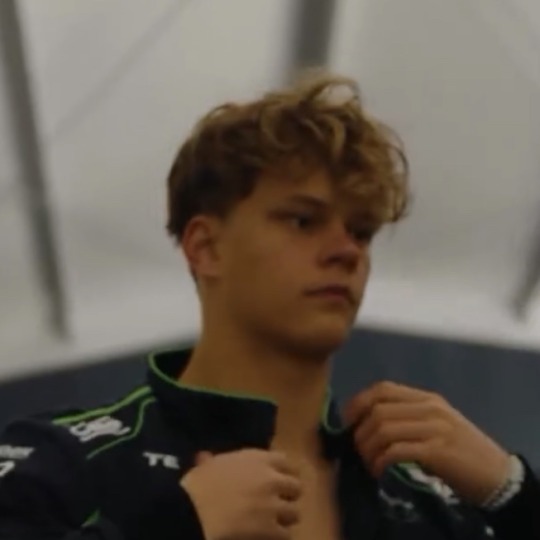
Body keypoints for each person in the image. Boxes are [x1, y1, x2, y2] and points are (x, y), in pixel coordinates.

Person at [0, 70, 538, 540]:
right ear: (206, 247)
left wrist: (514, 494)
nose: (347, 251)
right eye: (303, 220)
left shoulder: (426, 502)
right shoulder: (62, 461)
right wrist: (179, 526)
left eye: (361, 231)